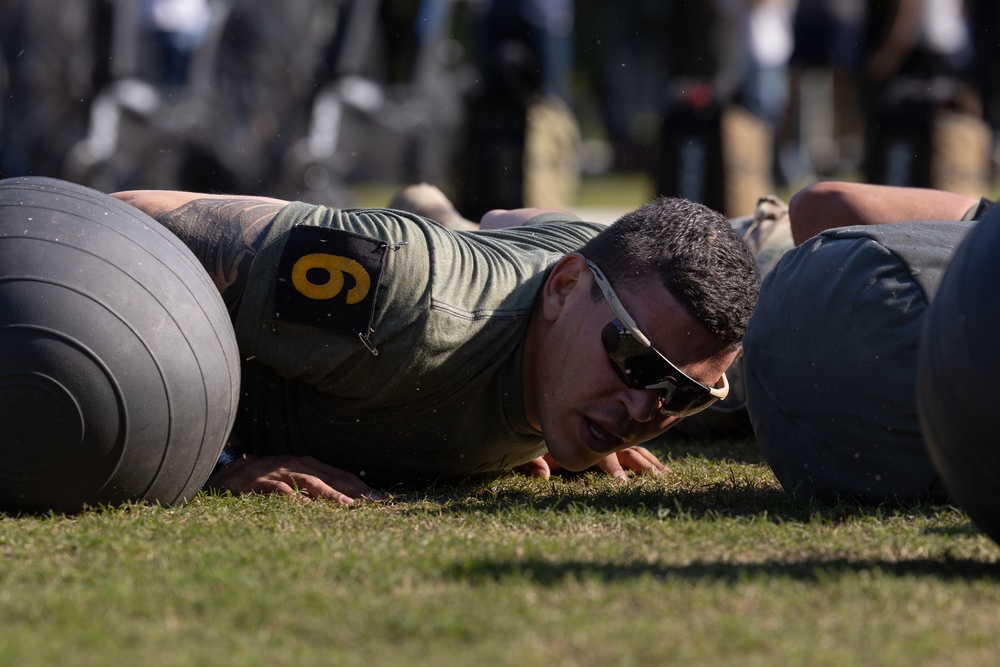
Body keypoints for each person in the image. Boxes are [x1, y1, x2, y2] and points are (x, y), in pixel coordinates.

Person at [111, 187, 761, 505]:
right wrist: (215, 459)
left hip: (531, 247)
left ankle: (441, 212)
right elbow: (121, 220)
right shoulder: (400, 297)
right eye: (636, 361)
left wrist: (572, 414)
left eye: (682, 393)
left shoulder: (633, 325)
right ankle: (435, 221)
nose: (644, 411)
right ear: (563, 288)